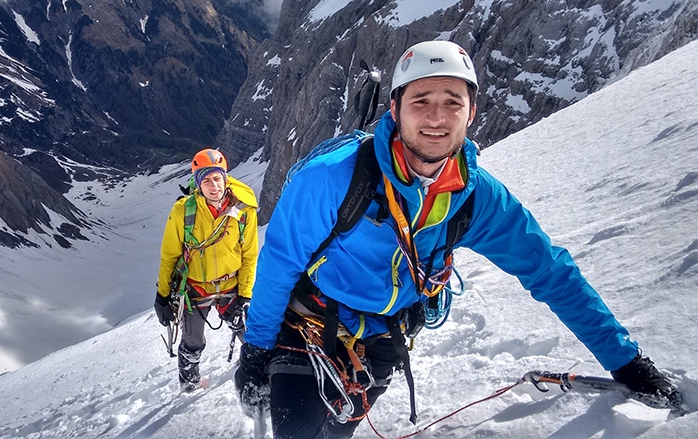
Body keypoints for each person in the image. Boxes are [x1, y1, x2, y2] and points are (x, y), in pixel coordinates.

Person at [234, 40, 681, 437]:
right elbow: (279, 265)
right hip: (305, 325)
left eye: (452, 101)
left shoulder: (475, 198)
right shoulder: (330, 181)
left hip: (382, 343)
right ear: (395, 108)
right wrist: (255, 352)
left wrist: (627, 363)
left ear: (471, 111)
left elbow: (550, 271)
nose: (436, 116)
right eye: (421, 99)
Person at [155, 148, 259, 392]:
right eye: (207, 181)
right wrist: (161, 295)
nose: (214, 187)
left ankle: (259, 376)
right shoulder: (184, 211)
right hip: (194, 290)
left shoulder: (244, 211)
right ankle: (189, 388)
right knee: (193, 343)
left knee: (252, 335)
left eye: (217, 179)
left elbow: (249, 256)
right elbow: (169, 256)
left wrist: (245, 294)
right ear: (197, 183)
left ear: (225, 178)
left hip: (231, 287)